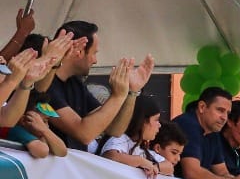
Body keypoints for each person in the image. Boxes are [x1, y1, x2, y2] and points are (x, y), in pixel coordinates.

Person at [31, 20, 151, 151]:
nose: (95, 60)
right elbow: (84, 134)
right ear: (79, 51)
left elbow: (114, 129)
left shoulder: (75, 82)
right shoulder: (46, 84)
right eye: (94, 53)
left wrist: (130, 93)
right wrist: (117, 96)